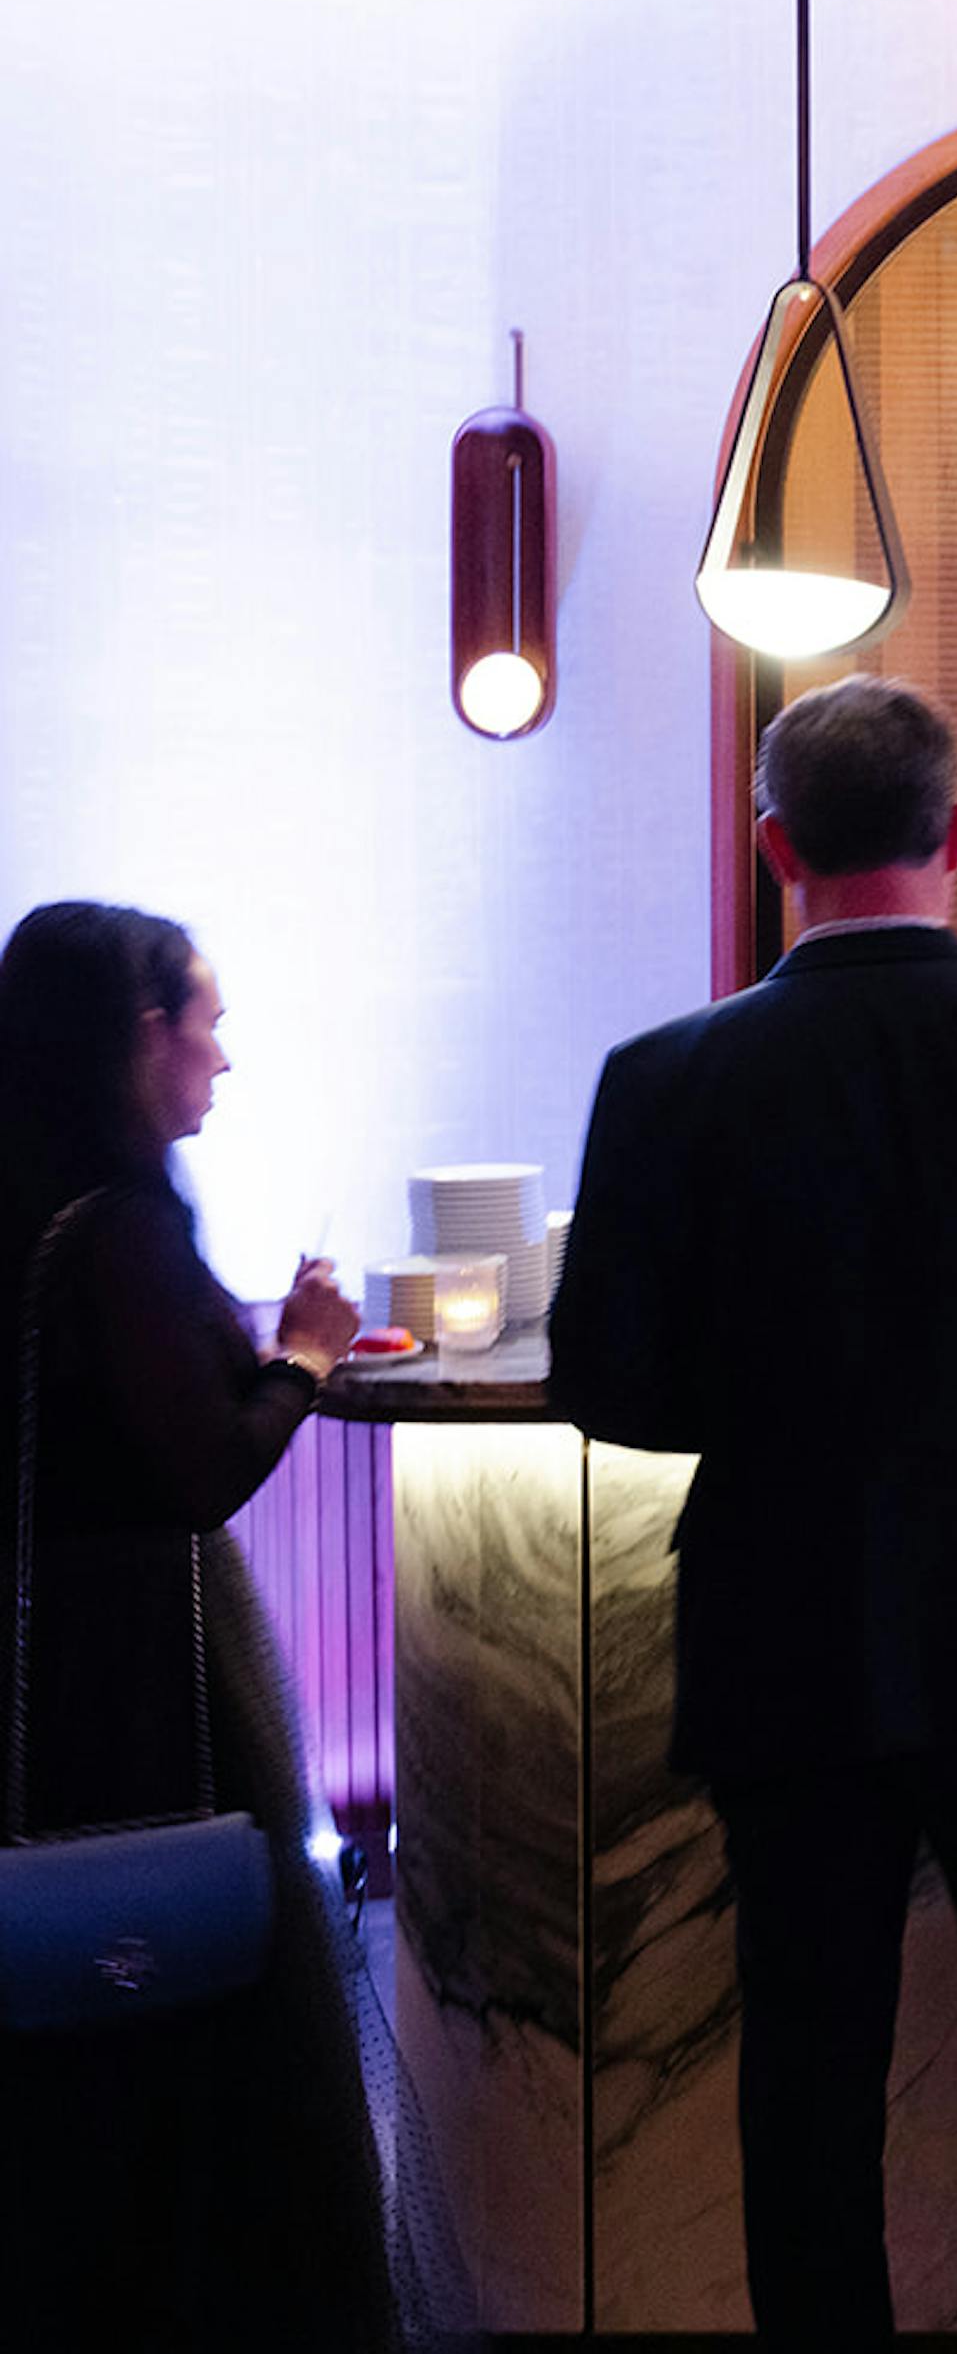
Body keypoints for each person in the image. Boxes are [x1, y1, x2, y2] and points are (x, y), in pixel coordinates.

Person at [550, 677, 957, 2347]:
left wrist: (780, 1410)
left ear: (776, 847)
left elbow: (605, 1383)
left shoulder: (663, 1078)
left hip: (790, 1638)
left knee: (808, 2094)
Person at [0, 901, 397, 2349]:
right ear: (136, 1034)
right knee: (189, 1969)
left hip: (45, 1664)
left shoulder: (32, 1198)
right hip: (145, 1666)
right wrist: (301, 1356)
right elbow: (202, 1469)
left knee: (65, 2008)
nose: (222, 1060)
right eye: (204, 1023)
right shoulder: (117, 1224)